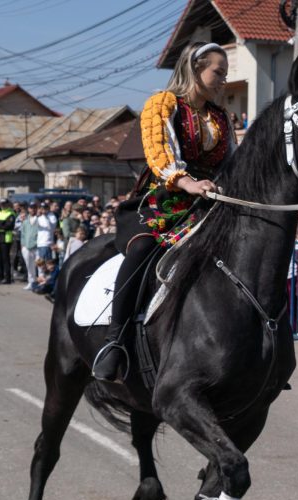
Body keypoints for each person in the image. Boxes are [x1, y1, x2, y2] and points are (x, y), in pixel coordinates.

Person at [92, 41, 235, 382]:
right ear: (195, 68)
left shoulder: (219, 117)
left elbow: (232, 163)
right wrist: (189, 183)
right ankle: (116, 341)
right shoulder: (163, 104)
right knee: (142, 250)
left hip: (211, 201)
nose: (223, 80)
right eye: (218, 72)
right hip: (167, 200)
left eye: (226, 74)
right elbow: (161, 158)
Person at [20, 202, 39, 290]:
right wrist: (23, 244)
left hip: (37, 246)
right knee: (29, 266)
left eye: (34, 208)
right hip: (26, 247)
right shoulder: (25, 221)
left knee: (39, 266)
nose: (33, 209)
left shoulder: (39, 219)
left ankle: (39, 283)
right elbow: (23, 233)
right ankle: (31, 282)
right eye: (31, 208)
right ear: (28, 209)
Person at [0, 199, 16, 284]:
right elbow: (3, 225)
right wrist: (2, 225)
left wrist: (1, 226)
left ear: (7, 204)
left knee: (5, 259)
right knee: (0, 259)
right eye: (1, 204)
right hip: (0, 237)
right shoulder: (0, 213)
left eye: (4, 204)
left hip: (6, 238)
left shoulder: (11, 213)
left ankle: (7, 278)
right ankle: (0, 276)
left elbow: (9, 226)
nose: (2, 206)